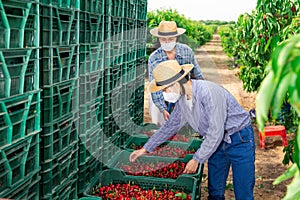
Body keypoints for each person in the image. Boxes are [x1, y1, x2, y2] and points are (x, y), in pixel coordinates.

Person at [130, 60, 255, 200]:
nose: (165, 94)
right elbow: (170, 125)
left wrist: (197, 159)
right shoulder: (183, 100)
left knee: (243, 190)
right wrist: (146, 148)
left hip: (239, 138)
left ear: (176, 83)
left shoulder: (209, 93)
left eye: (165, 89)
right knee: (215, 190)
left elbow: (215, 132)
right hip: (216, 144)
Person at [148, 20, 205, 126]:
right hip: (162, 93)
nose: (167, 42)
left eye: (171, 39)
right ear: (159, 39)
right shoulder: (154, 58)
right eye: (163, 39)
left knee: (186, 124)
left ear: (176, 38)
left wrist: (201, 95)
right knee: (159, 120)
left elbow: (198, 76)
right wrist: (163, 108)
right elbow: (155, 87)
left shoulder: (186, 52)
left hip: (182, 91)